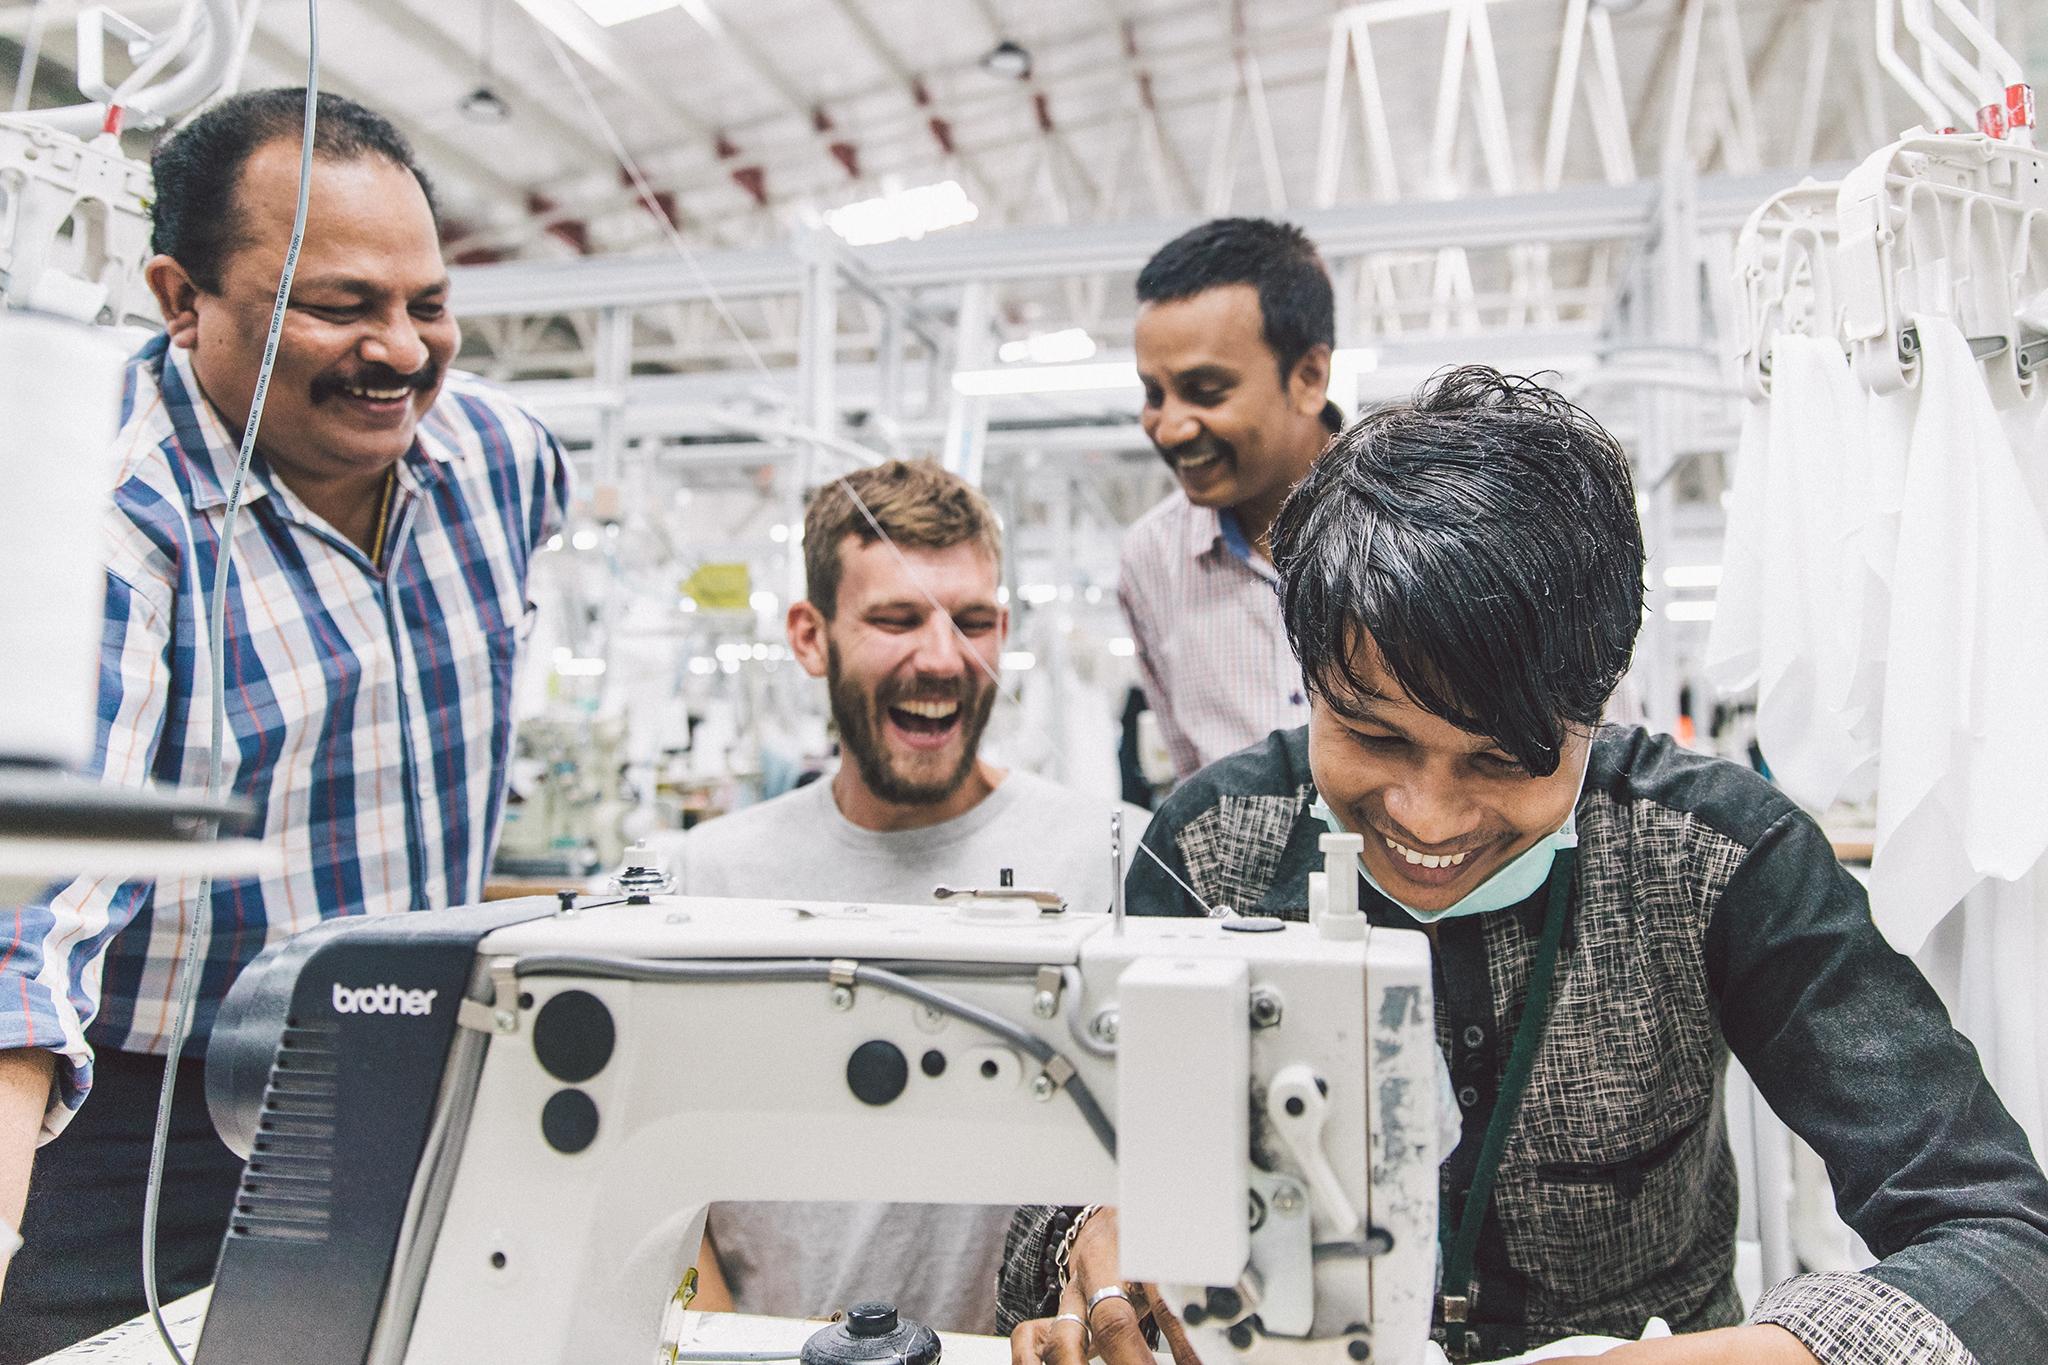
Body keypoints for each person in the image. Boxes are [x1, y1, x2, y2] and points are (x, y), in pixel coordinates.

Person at [1001, 369, 2048, 1365]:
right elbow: (1063, 1178)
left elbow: (2004, 1247)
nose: (1424, 813)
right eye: (1372, 737)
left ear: (1596, 710)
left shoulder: (1722, 858)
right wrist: (1087, 1231)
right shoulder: (1203, 851)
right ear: (1307, 675)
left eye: (1501, 760)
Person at [0, 90, 569, 1356]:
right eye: (338, 305)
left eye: (425, 304)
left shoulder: (501, 462)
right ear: (178, 296)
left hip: (422, 1071)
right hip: (147, 1125)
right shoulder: (115, 524)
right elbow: (24, 933)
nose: (403, 352)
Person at [680, 459, 1142, 1336]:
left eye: (970, 621)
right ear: (810, 636)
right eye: (895, 619)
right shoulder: (710, 879)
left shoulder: (1109, 855)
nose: (941, 656)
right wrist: (735, 1341)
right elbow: (660, 1198)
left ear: (1002, 631)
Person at [1116, 217, 1344, 785]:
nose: (1168, 428)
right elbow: (1197, 794)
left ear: (1309, 377)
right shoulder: (1152, 562)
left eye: (1205, 392)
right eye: (1153, 394)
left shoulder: (1434, 528)